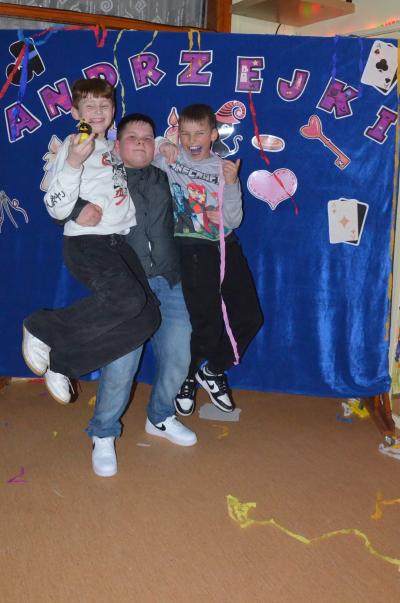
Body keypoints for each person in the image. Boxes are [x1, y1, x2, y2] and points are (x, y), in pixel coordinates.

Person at [66, 113, 197, 477]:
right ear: (117, 144)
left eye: (148, 137)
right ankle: (103, 432)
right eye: (132, 137)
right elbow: (61, 195)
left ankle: (160, 417)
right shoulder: (103, 175)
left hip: (170, 279)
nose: (141, 142)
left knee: (179, 356)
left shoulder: (166, 176)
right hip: (128, 283)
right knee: (122, 363)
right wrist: (78, 210)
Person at [22, 79, 160, 405]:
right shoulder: (75, 145)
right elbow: (54, 203)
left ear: (114, 110)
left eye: (104, 105)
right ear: (75, 112)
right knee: (126, 300)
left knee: (148, 317)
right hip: (88, 243)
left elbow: (146, 147)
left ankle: (64, 363)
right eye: (90, 106)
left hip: (118, 244)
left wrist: (166, 145)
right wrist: (72, 164)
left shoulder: (112, 147)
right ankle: (41, 327)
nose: (98, 111)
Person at [154, 103, 263, 416]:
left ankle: (213, 370)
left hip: (227, 246)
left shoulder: (223, 168)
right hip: (193, 249)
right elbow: (138, 149)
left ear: (213, 135)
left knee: (250, 318)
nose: (192, 140)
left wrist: (232, 186)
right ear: (178, 134)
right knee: (206, 323)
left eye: (199, 133)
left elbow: (235, 219)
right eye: (185, 134)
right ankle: (186, 377)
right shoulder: (171, 159)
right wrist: (162, 143)